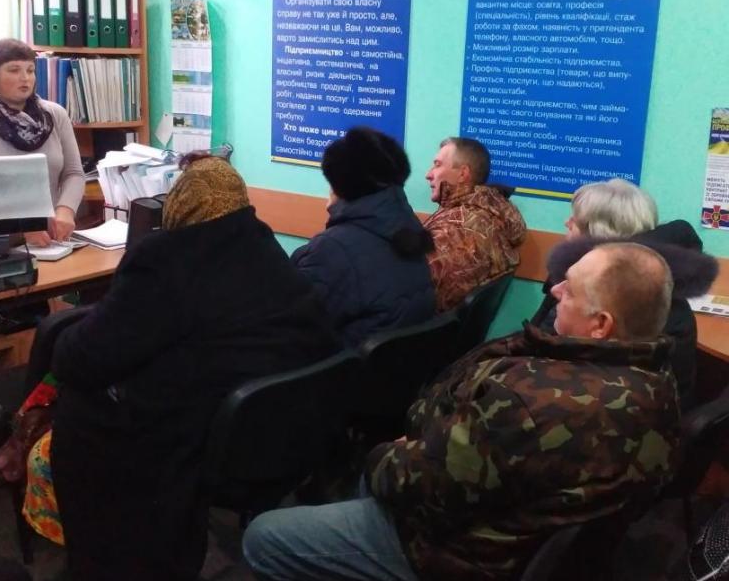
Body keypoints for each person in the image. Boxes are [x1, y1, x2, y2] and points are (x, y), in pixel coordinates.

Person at [243, 242, 687, 581]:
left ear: (600, 325)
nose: (554, 290)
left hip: (458, 552)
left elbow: (425, 484)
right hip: (516, 532)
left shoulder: (530, 403)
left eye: (569, 289)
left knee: (263, 535)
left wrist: (387, 454)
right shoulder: (659, 383)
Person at [43, 154, 340, 580]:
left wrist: (71, 332)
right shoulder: (269, 249)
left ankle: (96, 560)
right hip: (271, 432)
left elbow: (81, 359)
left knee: (76, 402)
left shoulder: (163, 258)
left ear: (180, 204)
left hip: (186, 438)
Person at [531, 177, 706, 401]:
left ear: (597, 232)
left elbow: (545, 361)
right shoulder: (655, 283)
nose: (567, 222)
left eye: (575, 219)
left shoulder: (621, 297)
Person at [291, 127, 435, 346]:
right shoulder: (409, 230)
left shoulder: (331, 250)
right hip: (402, 366)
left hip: (345, 366)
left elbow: (292, 333)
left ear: (339, 185)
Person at [0, 38, 84, 246]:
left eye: (30, 70)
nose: (25, 78)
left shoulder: (55, 115)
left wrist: (66, 209)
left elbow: (74, 173)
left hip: (52, 241)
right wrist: (21, 227)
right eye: (14, 70)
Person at [423, 137, 526, 312]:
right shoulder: (491, 215)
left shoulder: (455, 229)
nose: (428, 174)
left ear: (463, 174)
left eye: (437, 165)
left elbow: (405, 286)